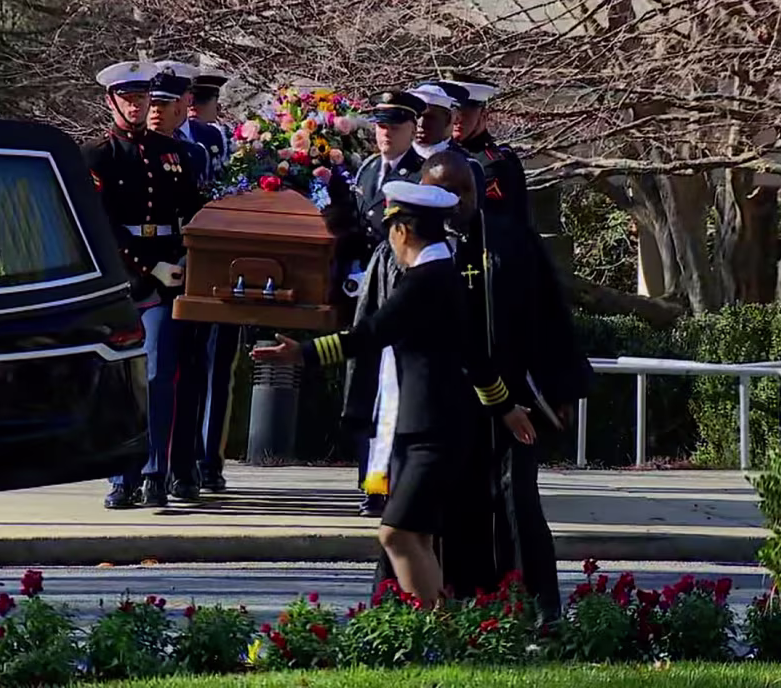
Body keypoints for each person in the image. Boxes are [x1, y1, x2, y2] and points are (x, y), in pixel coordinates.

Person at [252, 182, 523, 607]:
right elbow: (477, 357)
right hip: (431, 426)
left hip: (433, 429)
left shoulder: (425, 282)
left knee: (395, 533)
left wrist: (302, 354)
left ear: (402, 232)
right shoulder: (441, 275)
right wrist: (504, 407)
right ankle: (443, 632)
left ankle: (435, 629)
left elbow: (371, 334)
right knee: (417, 535)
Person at [440, 72, 594, 625]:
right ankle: (459, 602)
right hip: (453, 378)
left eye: (465, 113)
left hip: (508, 362)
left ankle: (539, 605)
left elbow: (535, 289)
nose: (457, 122)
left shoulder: (502, 174)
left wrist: (557, 381)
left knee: (514, 491)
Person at [81, 60, 207, 509]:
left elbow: (195, 212)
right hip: (123, 281)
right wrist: (149, 267)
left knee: (157, 376)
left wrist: (187, 258)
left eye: (142, 99)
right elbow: (102, 226)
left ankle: (155, 471)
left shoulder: (172, 152)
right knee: (121, 379)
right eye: (128, 99)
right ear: (111, 101)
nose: (137, 107)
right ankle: (121, 476)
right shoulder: (97, 156)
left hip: (167, 277)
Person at [320, 90, 428, 518]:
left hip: (398, 293)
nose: (385, 133)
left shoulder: (422, 176)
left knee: (392, 394)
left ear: (412, 129)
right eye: (380, 125)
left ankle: (387, 484)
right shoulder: (365, 171)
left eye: (395, 125)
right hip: (363, 293)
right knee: (365, 390)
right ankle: (370, 482)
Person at [154, 61, 240, 496]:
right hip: (159, 269)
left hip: (205, 265)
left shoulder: (209, 143)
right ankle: (166, 465)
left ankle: (203, 460)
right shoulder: (146, 146)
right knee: (168, 369)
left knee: (208, 365)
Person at [437, 73, 531, 228]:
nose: (457, 118)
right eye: (451, 111)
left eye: (465, 111)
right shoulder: (440, 153)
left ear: (483, 115)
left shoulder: (492, 164)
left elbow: (488, 224)